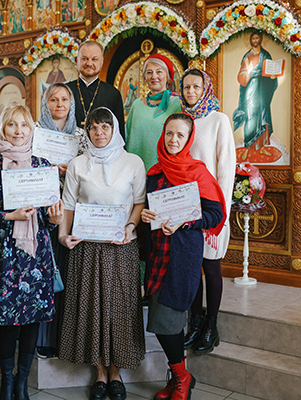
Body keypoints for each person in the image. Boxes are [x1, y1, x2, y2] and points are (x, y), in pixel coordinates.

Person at [0, 103, 64, 400]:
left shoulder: (43, 165)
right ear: (3, 128)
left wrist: (55, 218)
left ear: (32, 129)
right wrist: (9, 216)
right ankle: (6, 382)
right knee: (8, 319)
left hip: (36, 252)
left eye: (24, 125)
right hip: (5, 252)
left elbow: (49, 216)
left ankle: (22, 383)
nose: (18, 132)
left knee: (32, 319)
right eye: (12, 125)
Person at [58, 107, 146, 400]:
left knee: (120, 309)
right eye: (94, 128)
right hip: (87, 247)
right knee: (91, 308)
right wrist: (63, 234)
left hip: (121, 246)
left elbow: (138, 202)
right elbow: (68, 204)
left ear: (114, 129)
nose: (99, 133)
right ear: (88, 132)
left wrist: (130, 226)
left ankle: (117, 374)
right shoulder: (78, 164)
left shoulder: (132, 162)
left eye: (105, 127)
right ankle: (99, 373)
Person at [140, 113, 225, 400]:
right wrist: (144, 216)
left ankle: (181, 377)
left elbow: (215, 214)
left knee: (168, 322)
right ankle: (179, 376)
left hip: (182, 258)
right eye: (169, 134)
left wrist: (185, 221)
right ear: (162, 136)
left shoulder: (197, 172)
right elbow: (148, 214)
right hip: (157, 257)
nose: (173, 140)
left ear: (189, 139)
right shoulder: (153, 173)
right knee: (163, 323)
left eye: (180, 135)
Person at [180, 69, 236, 355]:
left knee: (210, 266)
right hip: (186, 206)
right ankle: (195, 323)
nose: (191, 92)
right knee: (192, 268)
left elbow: (226, 168)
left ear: (205, 88)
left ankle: (212, 327)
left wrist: (220, 212)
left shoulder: (218, 119)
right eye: (186, 87)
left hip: (212, 206)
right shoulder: (182, 120)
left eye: (196, 87)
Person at [33, 82, 87, 358]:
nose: (59, 104)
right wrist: (46, 168)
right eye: (53, 99)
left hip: (71, 211)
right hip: (39, 210)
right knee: (43, 270)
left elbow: (90, 168)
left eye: (64, 99)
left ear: (71, 103)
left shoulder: (80, 135)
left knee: (65, 271)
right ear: (46, 103)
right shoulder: (33, 131)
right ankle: (41, 338)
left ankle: (62, 338)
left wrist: (71, 168)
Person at [126, 54, 181, 172]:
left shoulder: (177, 104)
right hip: (135, 173)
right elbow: (127, 138)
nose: (154, 76)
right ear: (145, 77)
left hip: (165, 174)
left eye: (159, 71)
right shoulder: (136, 105)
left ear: (168, 77)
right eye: (149, 72)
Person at [233, 31, 278, 161]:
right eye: (253, 38)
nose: (255, 40)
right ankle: (248, 147)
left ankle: (262, 146)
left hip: (263, 88)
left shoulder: (265, 55)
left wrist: (272, 76)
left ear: (260, 39)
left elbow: (271, 70)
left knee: (263, 115)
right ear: (251, 40)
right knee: (250, 115)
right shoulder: (246, 56)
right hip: (250, 88)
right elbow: (242, 74)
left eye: (257, 38)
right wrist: (247, 73)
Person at [67, 40, 125, 139]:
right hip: (69, 150)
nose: (89, 63)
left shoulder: (113, 94)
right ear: (77, 60)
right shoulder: (65, 91)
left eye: (94, 59)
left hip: (103, 152)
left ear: (101, 62)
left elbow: (119, 134)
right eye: (85, 58)